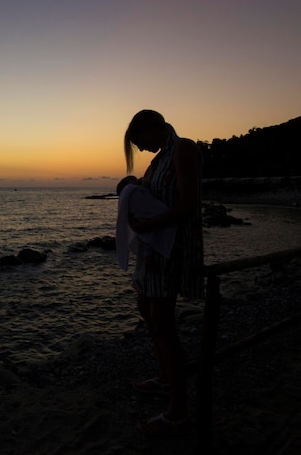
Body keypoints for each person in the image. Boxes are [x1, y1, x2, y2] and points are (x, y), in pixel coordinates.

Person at [122, 109, 203, 436]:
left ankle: (178, 410)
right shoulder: (158, 160)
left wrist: (146, 225)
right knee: (147, 310)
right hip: (153, 250)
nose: (139, 149)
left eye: (138, 140)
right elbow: (151, 195)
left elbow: (188, 205)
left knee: (164, 322)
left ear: (150, 128)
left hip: (171, 249)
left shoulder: (184, 148)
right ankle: (166, 378)